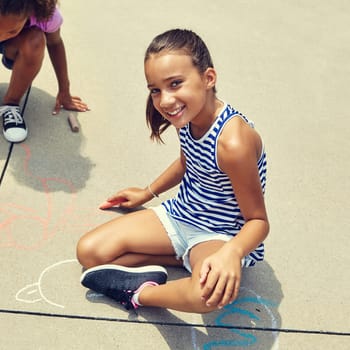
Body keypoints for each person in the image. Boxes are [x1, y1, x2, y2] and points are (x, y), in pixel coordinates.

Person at [77, 29, 269, 314]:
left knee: (207, 295)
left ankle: (141, 294)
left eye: (175, 84)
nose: (165, 100)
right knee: (89, 252)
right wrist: (147, 192)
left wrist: (231, 252)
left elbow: (258, 221)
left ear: (208, 79)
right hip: (181, 215)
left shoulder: (234, 143)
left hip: (219, 234)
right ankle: (187, 261)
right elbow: (187, 162)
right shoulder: (188, 118)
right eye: (155, 90)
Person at [0, 0, 88, 143]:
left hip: (14, 45)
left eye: (11, 30)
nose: (1, 35)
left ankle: (11, 104)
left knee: (35, 41)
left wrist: (64, 90)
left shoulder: (46, 15)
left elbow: (55, 43)